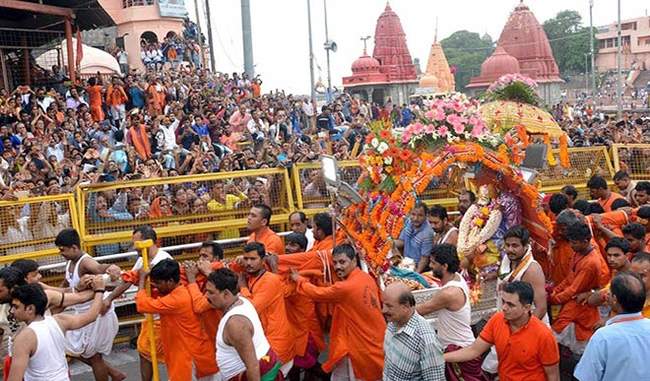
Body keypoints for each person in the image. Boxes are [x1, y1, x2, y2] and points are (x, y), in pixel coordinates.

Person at [290, 244, 385, 381]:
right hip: (369, 338)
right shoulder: (365, 277)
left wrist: (299, 279)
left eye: (342, 262)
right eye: (334, 263)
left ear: (354, 261)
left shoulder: (346, 287)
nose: (338, 266)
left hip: (360, 346)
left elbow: (317, 294)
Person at [444, 281, 560, 381]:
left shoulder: (544, 335)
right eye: (503, 301)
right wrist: (441, 358)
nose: (504, 307)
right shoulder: (497, 320)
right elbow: (473, 350)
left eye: (510, 304)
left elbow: (553, 375)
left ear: (526, 308)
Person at [104, 225, 172, 381]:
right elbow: (128, 280)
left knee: (163, 356)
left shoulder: (163, 260)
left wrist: (141, 278)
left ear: (148, 242)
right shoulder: (143, 259)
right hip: (151, 316)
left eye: (137, 243)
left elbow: (137, 278)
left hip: (162, 317)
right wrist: (108, 297)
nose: (134, 247)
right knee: (145, 353)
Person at [54, 228, 121, 381]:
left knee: (94, 357)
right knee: (75, 350)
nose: (60, 253)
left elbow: (98, 268)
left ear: (74, 248)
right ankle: (115, 374)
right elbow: (66, 285)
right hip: (83, 315)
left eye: (62, 250)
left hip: (97, 315)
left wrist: (110, 268)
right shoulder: (70, 262)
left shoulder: (85, 261)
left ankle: (114, 374)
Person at [7, 278, 106, 381]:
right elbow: (91, 316)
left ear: (30, 309)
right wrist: (99, 291)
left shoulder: (24, 338)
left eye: (15, 307)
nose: (12, 311)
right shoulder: (60, 321)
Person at [135, 259, 218, 381]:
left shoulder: (176, 300)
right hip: (196, 354)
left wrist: (142, 279)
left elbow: (141, 305)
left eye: (158, 283)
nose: (155, 286)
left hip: (187, 359)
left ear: (170, 281)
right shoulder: (184, 290)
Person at [415, 244, 486, 381]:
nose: (430, 266)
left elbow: (421, 310)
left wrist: (398, 309)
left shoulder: (449, 293)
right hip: (457, 347)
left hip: (458, 350)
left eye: (433, 263)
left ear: (445, 266)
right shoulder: (457, 277)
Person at [204, 268, 283, 380]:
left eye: (211, 292)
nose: (206, 296)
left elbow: (253, 367)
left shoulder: (235, 324)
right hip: (265, 363)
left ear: (226, 293)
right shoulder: (241, 300)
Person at [574, 272, 650, 381]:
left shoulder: (604, 337)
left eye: (609, 292)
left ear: (614, 299)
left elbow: (586, 376)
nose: (607, 295)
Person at [238, 242, 295, 376]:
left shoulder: (269, 280)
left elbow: (252, 308)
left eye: (253, 259)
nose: (248, 263)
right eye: (246, 259)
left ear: (263, 261)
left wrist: (243, 287)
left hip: (276, 344)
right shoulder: (253, 277)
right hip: (266, 343)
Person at [550, 222, 604, 355]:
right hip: (574, 300)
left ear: (586, 241)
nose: (571, 246)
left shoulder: (590, 263)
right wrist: (555, 290)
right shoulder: (578, 252)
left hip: (581, 303)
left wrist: (554, 298)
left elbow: (574, 288)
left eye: (574, 243)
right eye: (571, 242)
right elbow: (569, 278)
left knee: (559, 330)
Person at [382, 282, 445, 381]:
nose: (383, 310)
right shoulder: (392, 322)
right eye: (383, 304)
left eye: (389, 306)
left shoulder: (426, 340)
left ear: (406, 306)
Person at [396, 202, 434, 273]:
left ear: (426, 216)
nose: (416, 218)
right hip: (406, 264)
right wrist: (388, 243)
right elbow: (402, 241)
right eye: (413, 214)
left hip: (418, 268)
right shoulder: (409, 222)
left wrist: (416, 274)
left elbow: (424, 258)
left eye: (420, 215)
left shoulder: (427, 233)